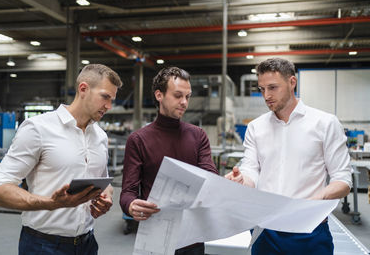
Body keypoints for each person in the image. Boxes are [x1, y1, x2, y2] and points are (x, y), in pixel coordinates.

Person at [0, 64, 123, 255]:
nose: (109, 106)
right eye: (105, 97)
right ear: (83, 89)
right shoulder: (39, 128)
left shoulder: (100, 136)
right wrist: (51, 203)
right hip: (43, 245)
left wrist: (105, 196)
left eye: (112, 100)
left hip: (87, 243)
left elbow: (103, 180)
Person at [225, 57, 352, 255]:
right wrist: (242, 181)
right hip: (265, 230)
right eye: (262, 89)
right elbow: (251, 170)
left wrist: (315, 199)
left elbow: (343, 180)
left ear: (292, 82)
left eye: (273, 87)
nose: (266, 95)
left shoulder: (325, 123)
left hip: (309, 230)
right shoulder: (255, 128)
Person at [120, 66, 218, 255]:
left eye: (187, 97)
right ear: (159, 95)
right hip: (156, 236)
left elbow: (210, 178)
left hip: (192, 236)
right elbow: (128, 192)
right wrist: (132, 205)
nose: (184, 102)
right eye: (178, 95)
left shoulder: (198, 136)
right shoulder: (139, 140)